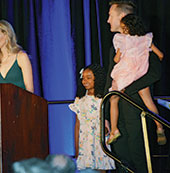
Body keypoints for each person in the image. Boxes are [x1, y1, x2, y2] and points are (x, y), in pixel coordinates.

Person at [105, 0, 162, 172]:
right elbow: (111, 78)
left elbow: (154, 73)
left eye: (110, 16)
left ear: (123, 18)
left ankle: (160, 127)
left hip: (136, 108)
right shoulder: (117, 45)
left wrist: (127, 91)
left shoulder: (143, 43)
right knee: (121, 157)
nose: (108, 20)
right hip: (118, 109)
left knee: (138, 154)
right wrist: (105, 114)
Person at [69, 64, 115, 173]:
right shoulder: (80, 101)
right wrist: (76, 147)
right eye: (83, 78)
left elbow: (107, 120)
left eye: (88, 78)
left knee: (101, 167)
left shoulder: (103, 99)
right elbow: (77, 125)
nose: (85, 81)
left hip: (99, 140)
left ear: (97, 79)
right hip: (84, 142)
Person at [0, 20, 34, 93]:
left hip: (22, 103)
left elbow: (30, 89)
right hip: (4, 104)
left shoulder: (21, 56)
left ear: (6, 35)